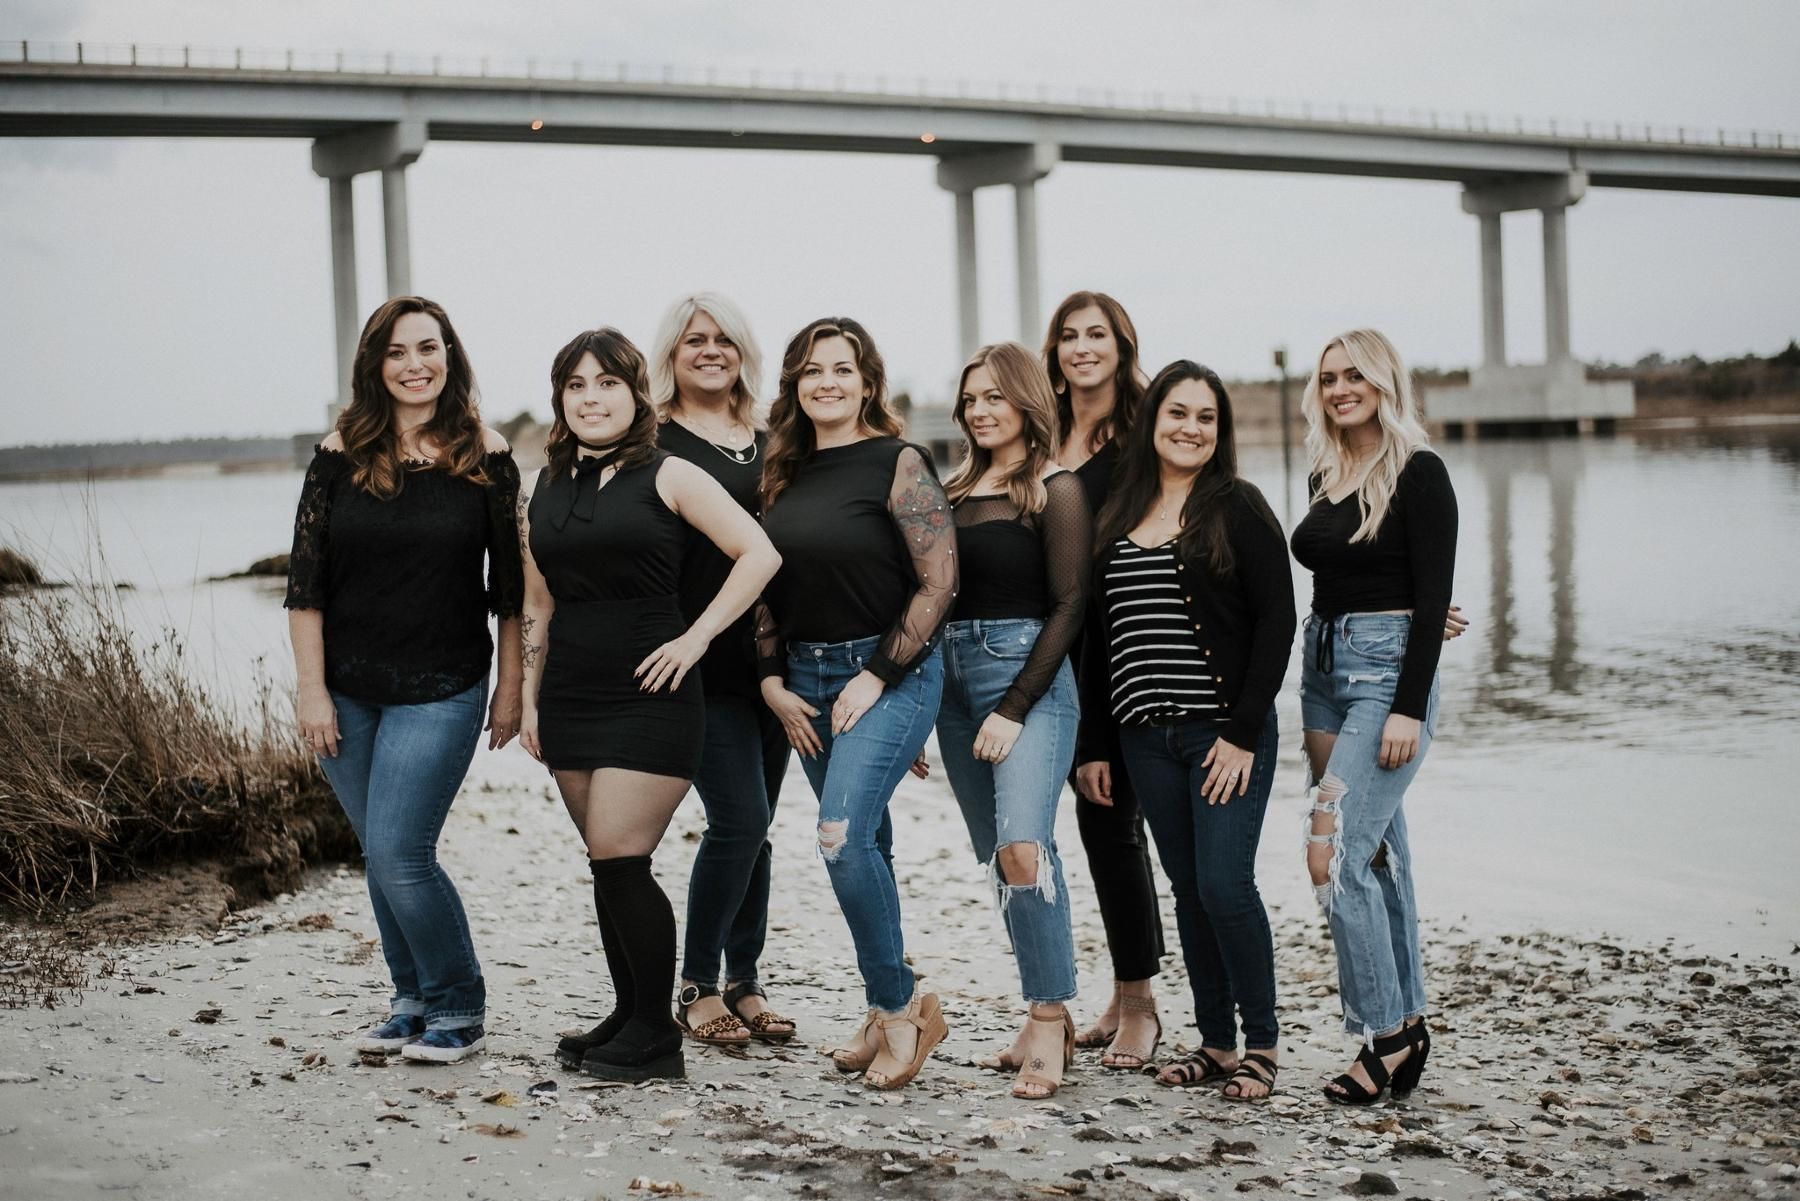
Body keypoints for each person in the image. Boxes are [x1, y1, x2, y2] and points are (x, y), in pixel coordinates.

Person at [518, 327, 780, 1083]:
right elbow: (537, 600)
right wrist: (531, 700)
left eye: (606, 383)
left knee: (623, 857)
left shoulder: (669, 473)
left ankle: (657, 1041)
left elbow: (760, 554)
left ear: (635, 394)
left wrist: (696, 639)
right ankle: (630, 1013)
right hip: (571, 692)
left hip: (653, 690)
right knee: (607, 865)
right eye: (575, 385)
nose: (590, 397)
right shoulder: (547, 484)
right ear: (560, 399)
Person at [286, 295, 523, 1064]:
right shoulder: (338, 452)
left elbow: (510, 591)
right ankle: (411, 999)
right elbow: (305, 584)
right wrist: (312, 688)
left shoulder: (484, 454)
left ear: (450, 357)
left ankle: (458, 1001)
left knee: (400, 853)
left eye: (429, 347)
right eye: (397, 351)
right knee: (378, 853)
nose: (415, 364)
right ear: (374, 365)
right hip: (347, 690)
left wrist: (511, 686)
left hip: (442, 684)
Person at [1080, 361, 1295, 1100]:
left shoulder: (1238, 505)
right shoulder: (1119, 511)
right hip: (1145, 738)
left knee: (1225, 884)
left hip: (1222, 736)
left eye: (1207, 417)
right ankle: (1215, 1041)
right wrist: (1096, 745)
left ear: (1220, 430)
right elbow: (1102, 642)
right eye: (1178, 412)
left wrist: (1240, 732)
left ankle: (1262, 1042)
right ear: (1152, 420)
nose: (1191, 427)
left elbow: (1278, 621)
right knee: (1186, 888)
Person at [754, 316, 957, 1091]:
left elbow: (940, 579)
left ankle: (900, 1006)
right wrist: (772, 680)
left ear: (868, 380)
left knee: (838, 837)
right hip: (804, 682)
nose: (826, 382)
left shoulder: (898, 460)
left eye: (842, 368)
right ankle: (884, 1010)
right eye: (811, 370)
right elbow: (765, 587)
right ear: (795, 384)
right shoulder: (782, 469)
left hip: (891, 670)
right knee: (869, 839)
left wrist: (878, 674)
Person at [1290, 328, 1457, 1105]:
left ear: (1385, 381)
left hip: (1383, 680)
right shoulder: (1329, 466)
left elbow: (1430, 597)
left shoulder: (1420, 472)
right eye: (1328, 377)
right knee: (1380, 852)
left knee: (1334, 852)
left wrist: (1409, 706)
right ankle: (1408, 1020)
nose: (1338, 387)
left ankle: (1384, 1035)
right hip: (1321, 670)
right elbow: (1350, 571)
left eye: (1354, 374)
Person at [934, 342, 1089, 1099]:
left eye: (994, 395)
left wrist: (1015, 707)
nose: (980, 410)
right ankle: (1040, 1010)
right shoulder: (952, 488)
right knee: (1002, 858)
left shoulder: (1054, 489)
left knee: (1026, 848)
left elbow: (1069, 605)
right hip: (951, 686)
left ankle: (1050, 1016)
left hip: (1027, 680)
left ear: (1028, 400)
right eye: (970, 399)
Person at [645, 293, 796, 1049]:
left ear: (743, 351)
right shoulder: (654, 439)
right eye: (694, 340)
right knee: (738, 819)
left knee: (759, 826)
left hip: (776, 661)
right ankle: (698, 983)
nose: (710, 350)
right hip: (696, 654)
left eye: (724, 339)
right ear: (671, 353)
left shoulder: (775, 437)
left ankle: (747, 978)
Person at [1044, 290, 1166, 1069]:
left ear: (1122, 345)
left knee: (1111, 819)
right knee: (1102, 827)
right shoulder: (1045, 432)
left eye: (1097, 335)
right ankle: (1125, 993)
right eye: (1068, 335)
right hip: (1059, 646)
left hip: (1124, 648)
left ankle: (1142, 1004)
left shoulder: (1146, 435)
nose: (1082, 347)